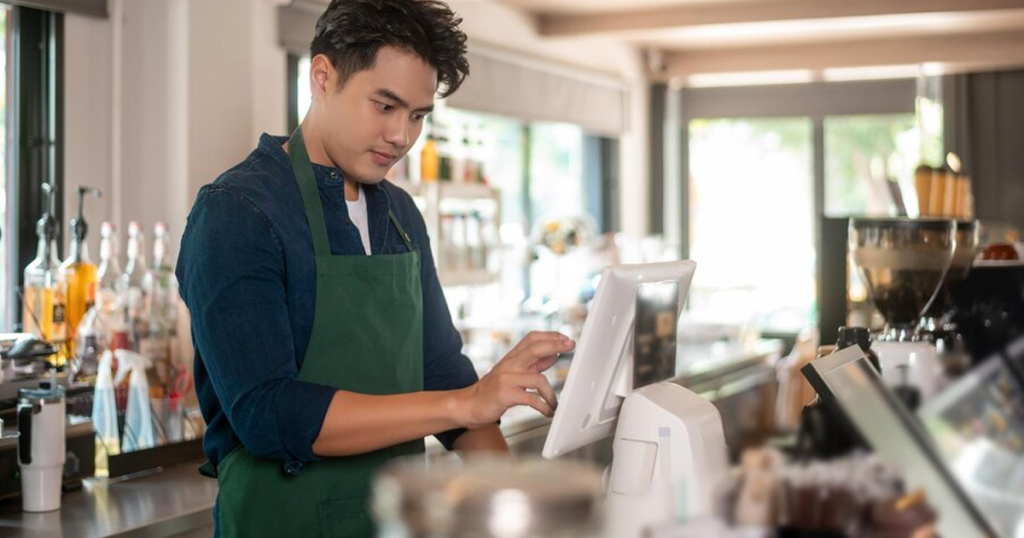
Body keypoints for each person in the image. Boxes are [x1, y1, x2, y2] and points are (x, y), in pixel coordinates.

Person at [175, 1, 573, 536]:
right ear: (322, 78)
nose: (401, 137)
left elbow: (441, 372)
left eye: (416, 115)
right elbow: (270, 415)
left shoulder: (401, 215)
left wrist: (520, 505)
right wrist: (466, 402)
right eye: (384, 106)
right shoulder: (238, 212)